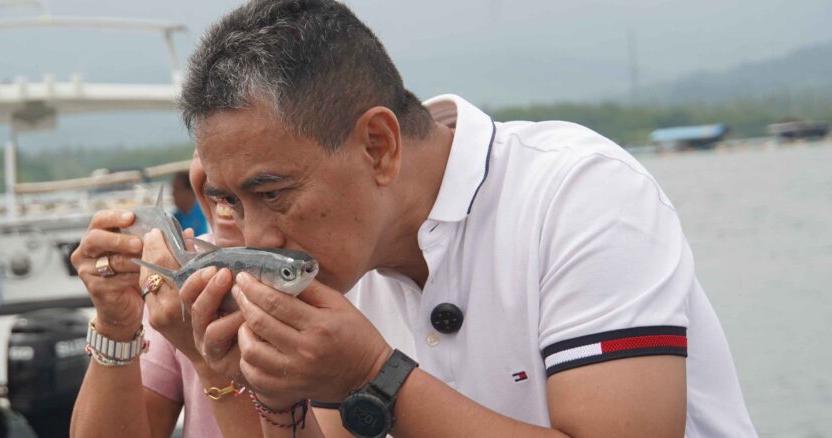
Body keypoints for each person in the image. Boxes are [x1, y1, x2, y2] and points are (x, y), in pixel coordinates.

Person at [169, 1, 750, 437]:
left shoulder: (579, 193)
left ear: (378, 146)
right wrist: (269, 394)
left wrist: (372, 375)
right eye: (231, 203)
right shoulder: (341, 263)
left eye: (272, 194)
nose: (257, 237)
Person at [69, 154, 262, 437]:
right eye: (201, 147)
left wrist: (207, 356)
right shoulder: (175, 272)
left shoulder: (331, 282)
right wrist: (116, 325)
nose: (218, 171)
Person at [171, 171, 209, 235]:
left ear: (189, 191)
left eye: (177, 189)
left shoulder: (206, 212)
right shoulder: (174, 218)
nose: (173, 194)